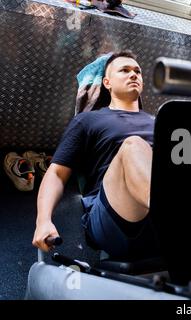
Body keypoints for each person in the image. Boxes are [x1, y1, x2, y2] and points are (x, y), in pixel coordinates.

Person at [32, 51, 160, 260]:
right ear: (107, 82)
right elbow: (56, 173)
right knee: (134, 145)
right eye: (124, 70)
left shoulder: (161, 122)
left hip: (157, 220)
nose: (134, 75)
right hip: (115, 217)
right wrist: (43, 220)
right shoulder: (88, 121)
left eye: (137, 71)